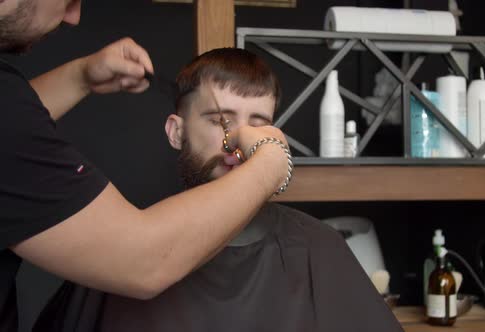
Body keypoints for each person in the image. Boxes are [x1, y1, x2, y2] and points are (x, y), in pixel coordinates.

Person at [34, 48, 405, 332]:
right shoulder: (127, 247)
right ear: (175, 132)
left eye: (259, 124)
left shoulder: (319, 250)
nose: (239, 143)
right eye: (220, 120)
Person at [0, 1, 291, 330]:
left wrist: (80, 77)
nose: (74, 16)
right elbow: (145, 263)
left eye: (259, 124)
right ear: (175, 132)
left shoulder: (312, 252)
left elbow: (13, 127)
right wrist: (270, 164)